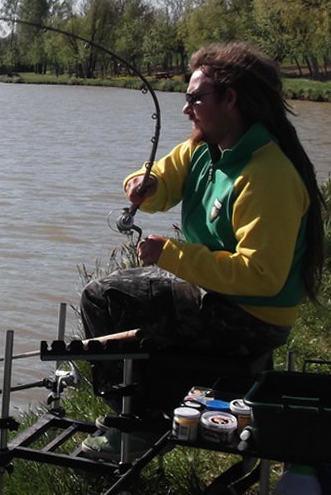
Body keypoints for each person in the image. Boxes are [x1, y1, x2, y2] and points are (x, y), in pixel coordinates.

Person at [80, 40, 325, 459]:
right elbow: (162, 181)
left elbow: (261, 276)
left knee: (105, 299)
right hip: (217, 290)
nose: (185, 107)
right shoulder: (204, 148)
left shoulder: (268, 174)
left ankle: (134, 425)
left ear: (230, 98)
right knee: (113, 294)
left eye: (195, 97)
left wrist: (172, 254)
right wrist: (144, 183)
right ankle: (150, 405)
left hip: (253, 316)